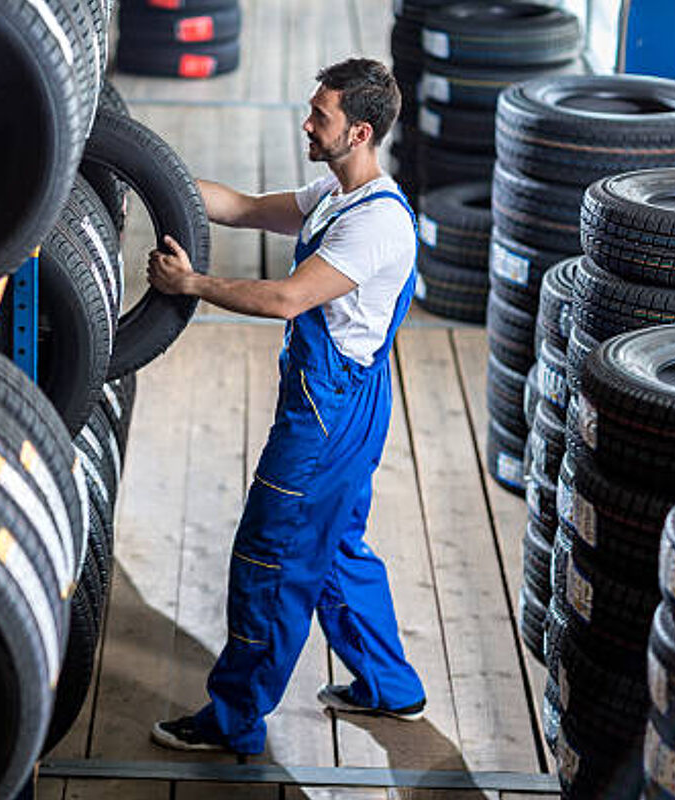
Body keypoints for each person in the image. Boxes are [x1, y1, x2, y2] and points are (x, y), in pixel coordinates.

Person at [146, 58, 426, 756]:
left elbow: (285, 299)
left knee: (270, 556)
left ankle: (233, 719)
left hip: (328, 413)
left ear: (359, 132)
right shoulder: (335, 193)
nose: (307, 122)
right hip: (345, 400)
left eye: (321, 115)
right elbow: (238, 206)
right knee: (333, 548)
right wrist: (147, 175)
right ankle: (392, 688)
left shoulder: (377, 225)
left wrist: (192, 284)